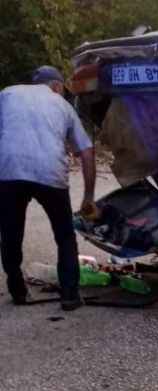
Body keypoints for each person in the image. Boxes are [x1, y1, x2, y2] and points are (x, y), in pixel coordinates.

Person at [0, 65, 97, 311]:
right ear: (56, 86)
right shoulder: (62, 105)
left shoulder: (7, 94)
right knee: (64, 235)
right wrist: (88, 197)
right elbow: (86, 152)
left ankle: (18, 290)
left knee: (11, 233)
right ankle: (70, 296)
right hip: (50, 173)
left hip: (9, 170)